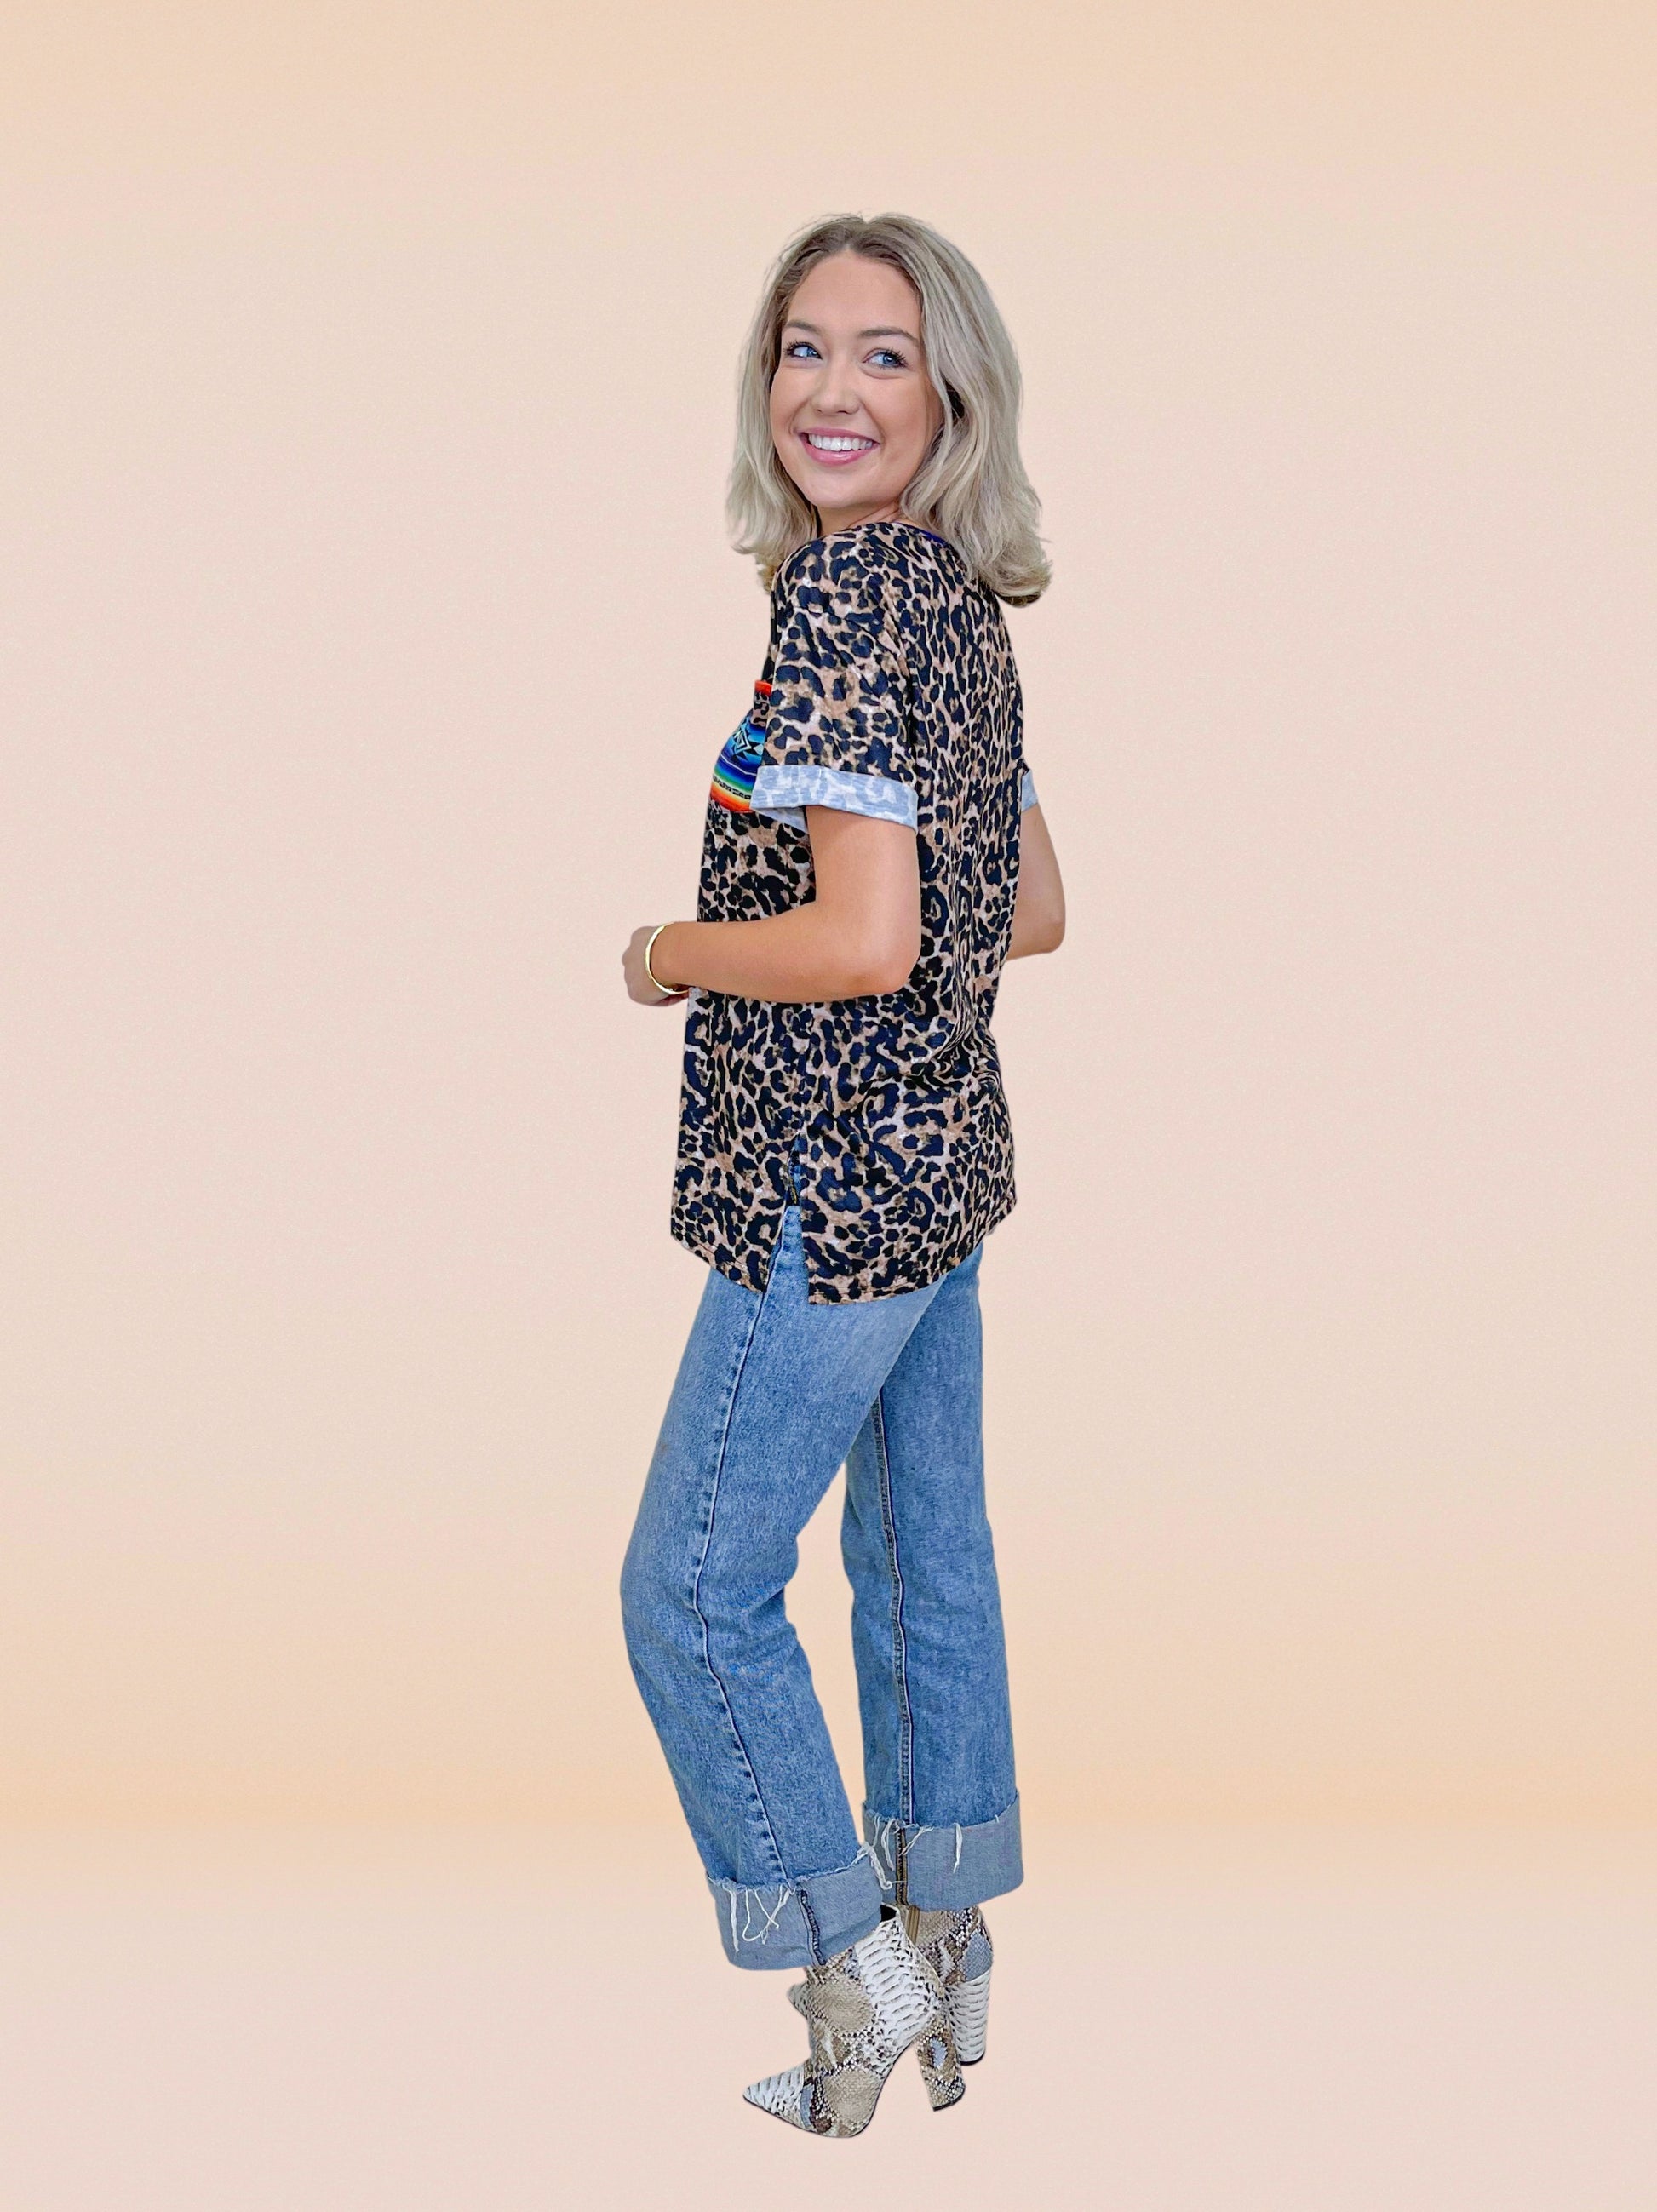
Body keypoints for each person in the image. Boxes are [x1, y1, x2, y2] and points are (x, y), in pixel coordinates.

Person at [618, 211, 1064, 2139]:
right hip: (940, 1161)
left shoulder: (842, 604)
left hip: (826, 1176)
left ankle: (851, 1972)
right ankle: (947, 1949)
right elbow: (1027, 908)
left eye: (885, 355)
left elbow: (869, 937)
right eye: (804, 346)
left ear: (952, 395)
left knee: (692, 1587)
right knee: (919, 1558)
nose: (832, 389)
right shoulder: (953, 600)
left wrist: (669, 949)